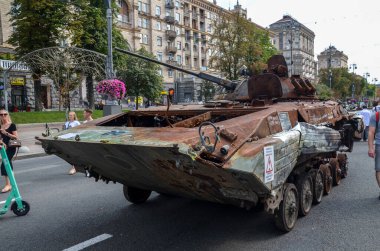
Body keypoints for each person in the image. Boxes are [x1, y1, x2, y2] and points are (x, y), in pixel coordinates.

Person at [0, 109, 18, 193]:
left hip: (11, 147)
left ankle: (8, 185)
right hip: (3, 148)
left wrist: (5, 132)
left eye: (5, 114)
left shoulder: (12, 125)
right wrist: (1, 142)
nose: (3, 116)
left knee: (5, 164)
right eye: (1, 114)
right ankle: (12, 183)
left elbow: (16, 137)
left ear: (7, 115)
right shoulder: (0, 126)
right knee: (8, 163)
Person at [368, 110, 380, 200]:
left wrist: (371, 148)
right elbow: (371, 132)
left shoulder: (376, 115)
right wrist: (371, 148)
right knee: (379, 169)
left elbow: (371, 132)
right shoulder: (376, 115)